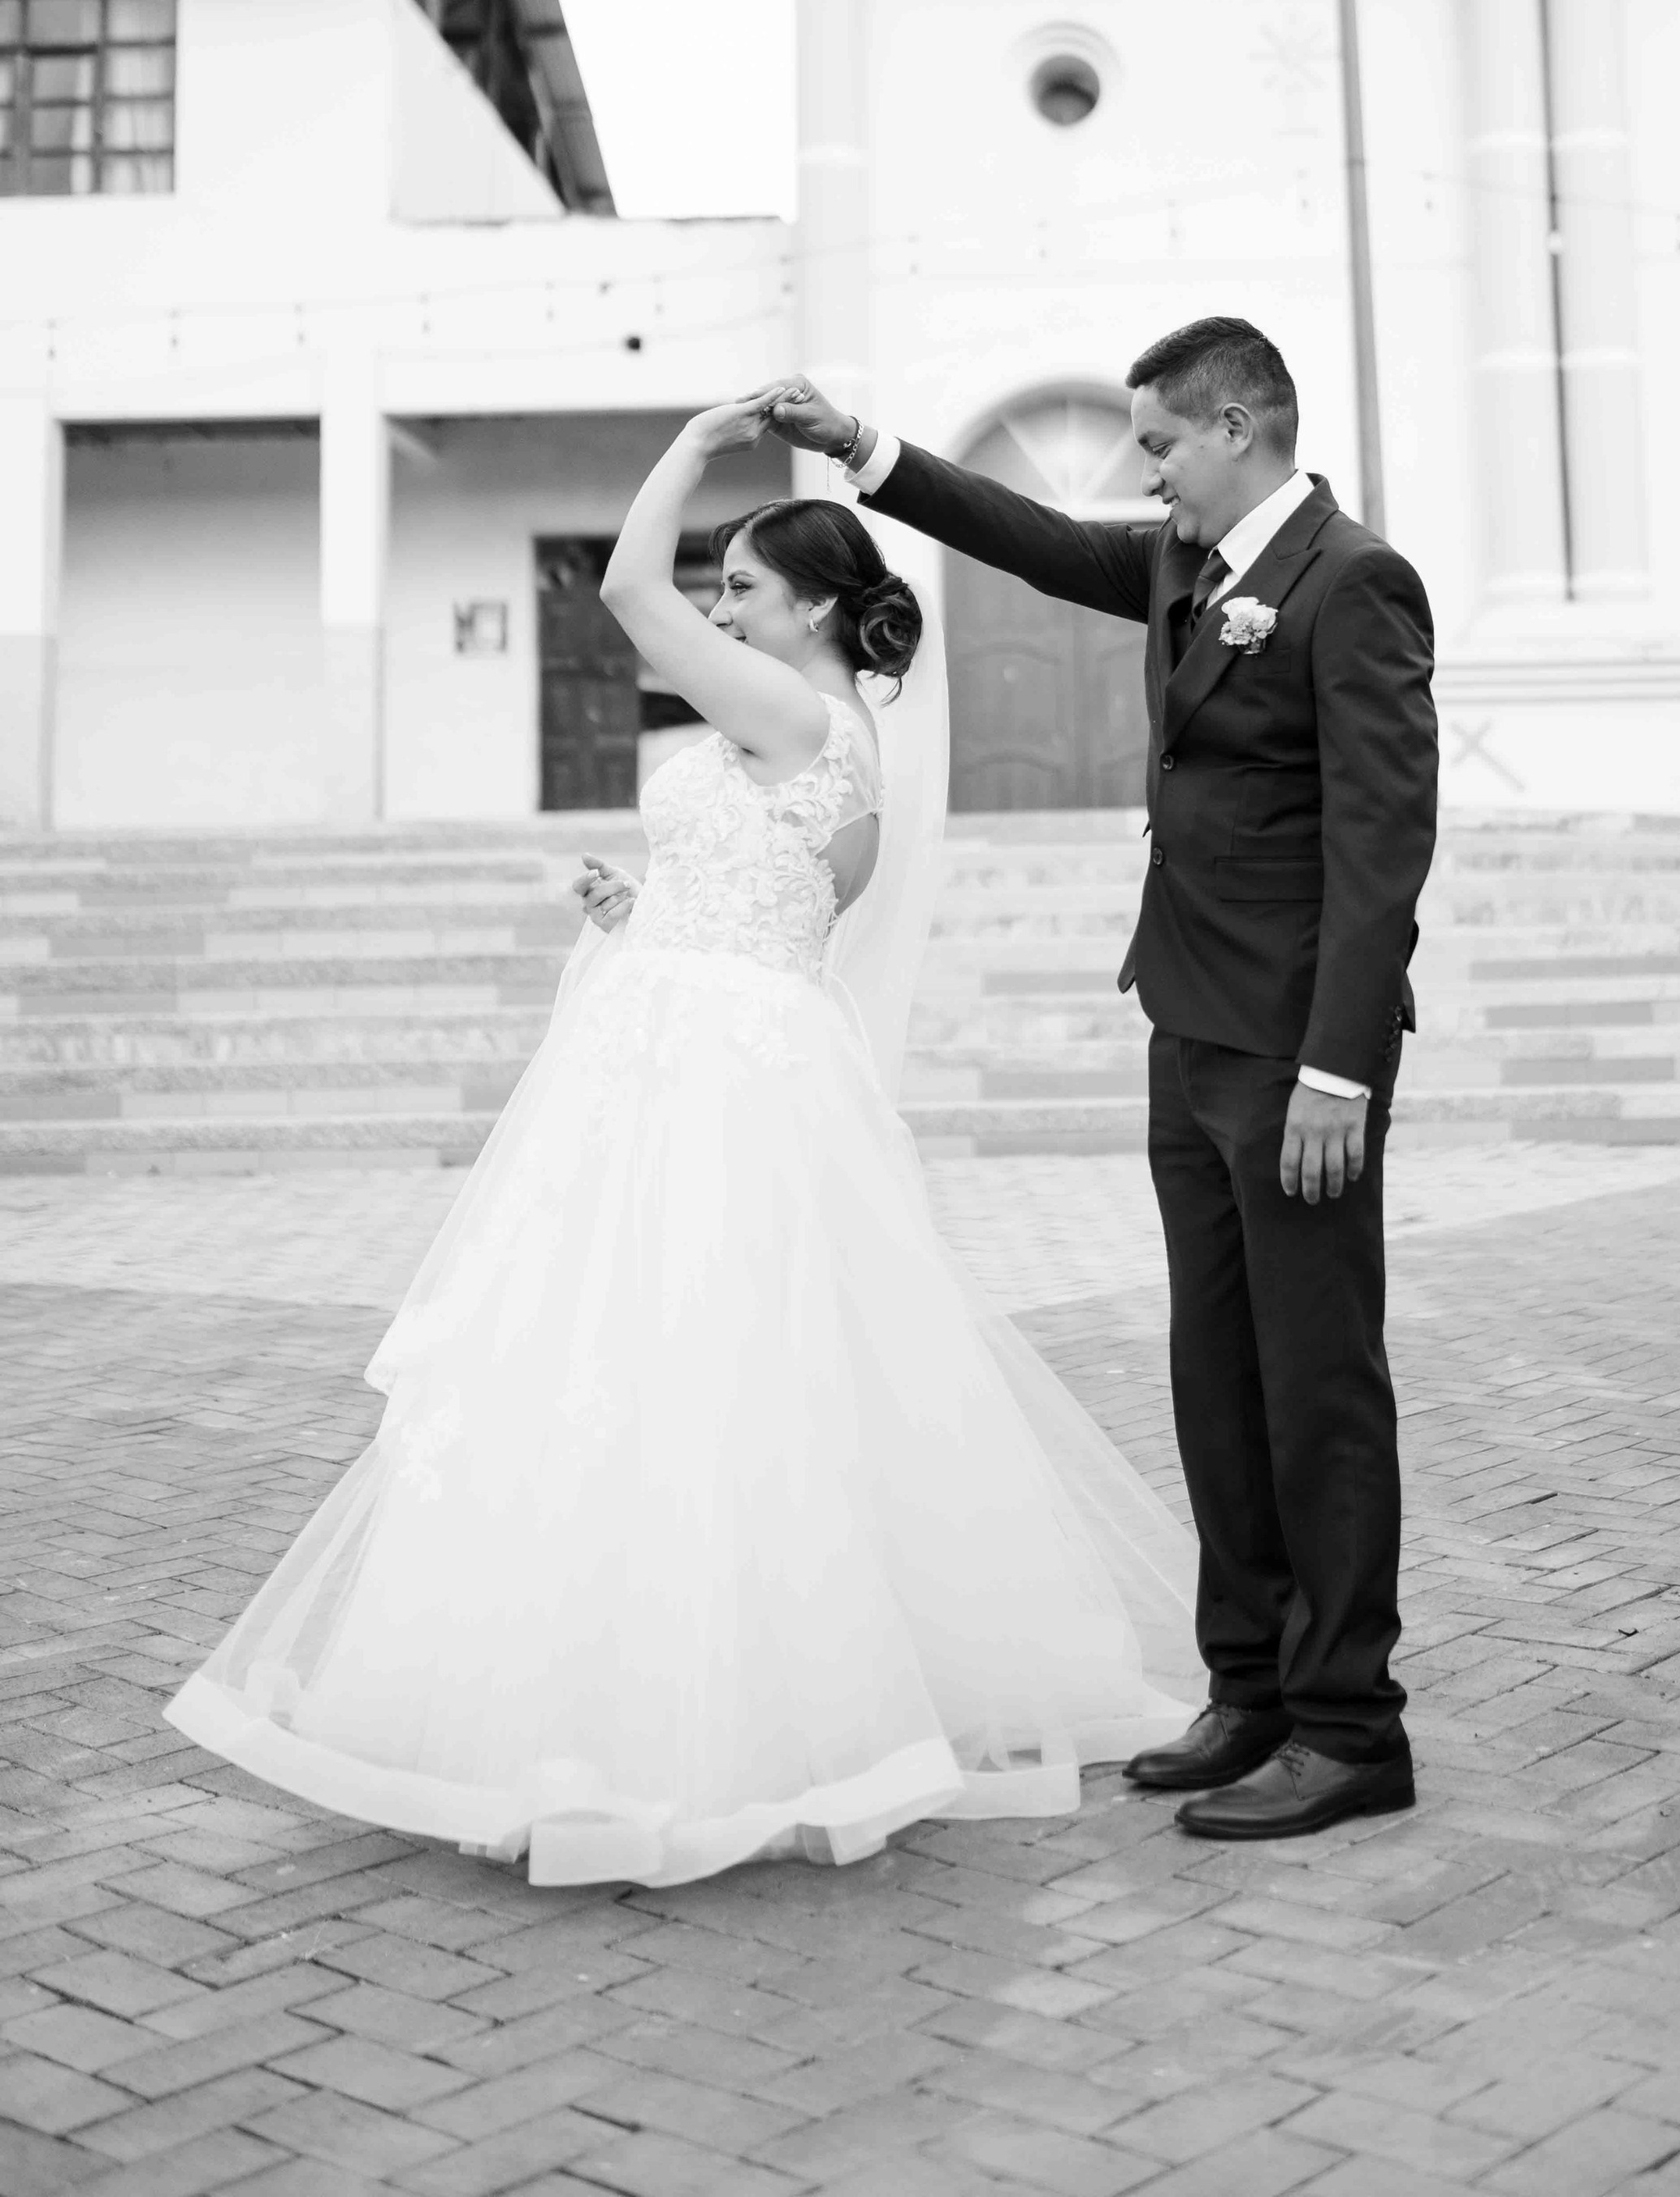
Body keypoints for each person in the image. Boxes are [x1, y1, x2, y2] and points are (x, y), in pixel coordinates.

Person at [167, 399, 1194, 1887]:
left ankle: (683, 1723)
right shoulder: (814, 744)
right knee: (655, 1360)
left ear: (827, 609)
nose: (717, 610)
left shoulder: (801, 718)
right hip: (701, 1049)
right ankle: (624, 1686)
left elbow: (623, 591)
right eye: (722, 590)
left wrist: (699, 443)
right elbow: (779, 916)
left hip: (712, 1078)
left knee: (688, 1368)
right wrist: (641, 921)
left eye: (748, 591)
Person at [761, 316, 1438, 1843]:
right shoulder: (1185, 570)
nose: (1147, 475)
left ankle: (1351, 1726)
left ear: (1244, 426)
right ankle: (1252, 1685)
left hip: (1295, 1054)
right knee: (1218, 1374)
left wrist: (1341, 1066)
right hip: (1189, 1028)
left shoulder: (1353, 582)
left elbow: (1384, 843)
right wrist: (864, 448)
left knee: (1318, 1382)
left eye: (1161, 446)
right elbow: (1037, 542)